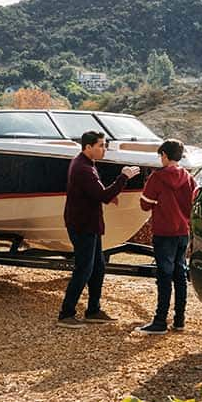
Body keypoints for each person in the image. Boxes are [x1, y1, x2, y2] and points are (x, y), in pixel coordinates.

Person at [58, 130, 139, 328]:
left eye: (105, 145)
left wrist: (110, 195)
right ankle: (66, 314)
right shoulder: (83, 168)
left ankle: (93, 310)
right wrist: (123, 177)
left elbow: (96, 193)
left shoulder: (86, 164)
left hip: (89, 224)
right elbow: (101, 195)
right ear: (88, 147)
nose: (104, 149)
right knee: (84, 269)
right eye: (101, 145)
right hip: (82, 225)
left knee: (98, 267)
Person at [136, 139, 196, 334]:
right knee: (180, 274)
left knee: (164, 276)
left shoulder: (157, 177)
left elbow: (145, 204)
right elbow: (194, 201)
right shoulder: (188, 177)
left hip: (164, 232)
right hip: (182, 232)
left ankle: (160, 321)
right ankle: (179, 320)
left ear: (164, 155)